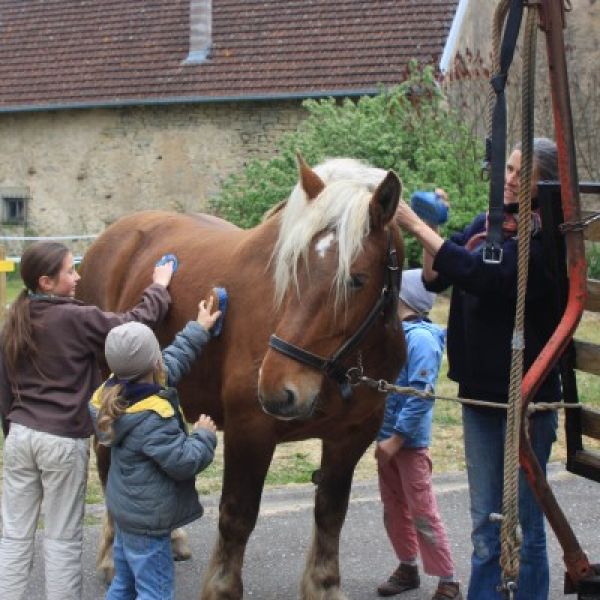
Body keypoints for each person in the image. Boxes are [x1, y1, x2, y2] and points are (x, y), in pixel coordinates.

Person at [394, 138, 560, 600]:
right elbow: (437, 276)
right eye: (507, 168)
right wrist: (428, 226)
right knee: (484, 526)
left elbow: (486, 276)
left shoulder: (545, 239)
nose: (507, 178)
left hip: (528, 400)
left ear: (543, 183)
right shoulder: (487, 224)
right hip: (480, 396)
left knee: (524, 531)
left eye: (519, 173)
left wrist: (411, 223)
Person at [0, 241, 174, 600]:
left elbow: (4, 389)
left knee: (13, 536)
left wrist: (11, 433)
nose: (78, 277)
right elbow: (133, 327)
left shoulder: (13, 320)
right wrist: (158, 286)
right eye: (69, 270)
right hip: (62, 441)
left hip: (19, 438)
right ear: (47, 282)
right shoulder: (76, 318)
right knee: (62, 538)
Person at [89, 298, 220, 600]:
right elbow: (183, 461)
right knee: (155, 591)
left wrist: (198, 329)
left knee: (123, 585)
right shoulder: (152, 418)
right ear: (154, 363)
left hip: (126, 517)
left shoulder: (116, 392)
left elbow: (175, 358)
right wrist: (204, 437)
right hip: (148, 526)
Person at [376, 269, 462, 600]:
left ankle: (448, 578)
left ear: (403, 299)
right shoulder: (394, 332)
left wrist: (397, 439)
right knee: (394, 507)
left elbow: (420, 395)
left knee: (422, 510)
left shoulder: (421, 339)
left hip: (406, 444)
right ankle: (407, 567)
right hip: (385, 442)